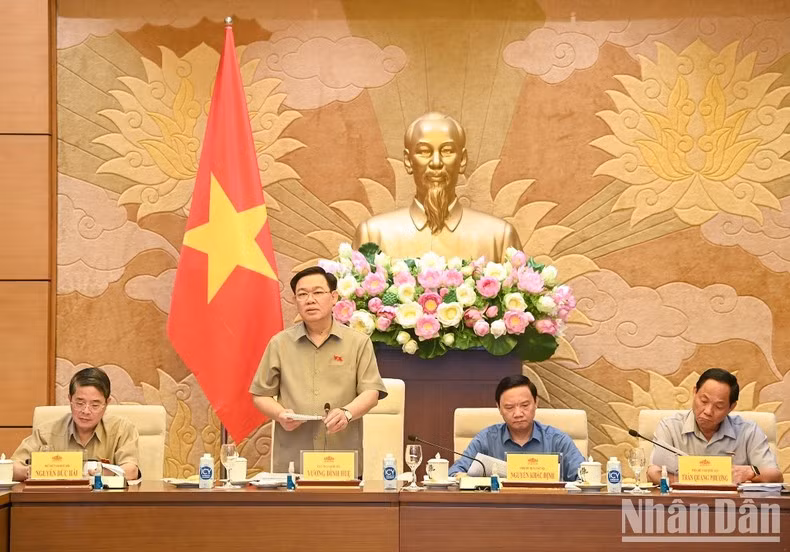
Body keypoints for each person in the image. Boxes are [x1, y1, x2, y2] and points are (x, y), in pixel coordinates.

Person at [250, 266, 388, 475]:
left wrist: (347, 413)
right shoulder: (280, 343)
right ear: (295, 301)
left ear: (334, 297)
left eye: (317, 292)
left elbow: (371, 392)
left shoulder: (358, 342)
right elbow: (260, 394)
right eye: (302, 294)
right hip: (292, 461)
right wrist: (280, 414)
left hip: (341, 460)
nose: (310, 300)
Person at [353, 112, 521, 262]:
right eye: (424, 152)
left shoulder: (499, 237)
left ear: (462, 160)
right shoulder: (373, 235)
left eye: (447, 151)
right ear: (408, 161)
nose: (436, 163)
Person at [646, 368, 782, 485]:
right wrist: (689, 482)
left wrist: (750, 471)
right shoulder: (670, 427)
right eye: (703, 401)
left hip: (735, 509)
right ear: (694, 393)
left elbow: (775, 476)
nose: (708, 411)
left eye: (719, 406)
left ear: (731, 407)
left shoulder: (748, 431)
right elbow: (653, 472)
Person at [11, 367, 140, 481]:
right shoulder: (46, 432)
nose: (86, 411)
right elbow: (12, 467)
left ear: (107, 403)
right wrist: (29, 472)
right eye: (80, 403)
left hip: (105, 504)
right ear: (70, 400)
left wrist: (102, 473)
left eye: (95, 405)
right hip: (58, 503)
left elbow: (131, 470)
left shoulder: (121, 429)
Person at [449, 374, 584, 481]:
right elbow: (454, 473)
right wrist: (464, 478)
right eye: (509, 407)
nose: (518, 413)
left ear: (536, 403)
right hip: (498, 510)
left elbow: (584, 477)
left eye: (525, 405)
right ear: (499, 408)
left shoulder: (557, 440)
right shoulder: (486, 439)